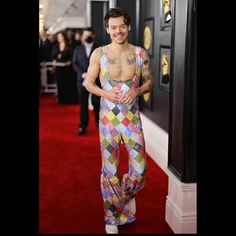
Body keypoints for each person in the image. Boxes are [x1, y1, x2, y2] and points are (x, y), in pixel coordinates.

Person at [85, 8, 153, 234]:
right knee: (110, 169)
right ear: (107, 29)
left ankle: (125, 196)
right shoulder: (99, 54)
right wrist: (106, 94)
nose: (118, 31)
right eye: (113, 27)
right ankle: (112, 216)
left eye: (122, 26)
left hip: (132, 119)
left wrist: (138, 91)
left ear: (129, 26)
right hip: (108, 121)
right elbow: (89, 83)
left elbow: (149, 82)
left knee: (140, 169)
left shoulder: (140, 53)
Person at [73, 27, 100, 135]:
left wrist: (92, 75)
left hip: (96, 82)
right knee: (83, 105)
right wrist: (83, 74)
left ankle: (98, 122)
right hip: (82, 81)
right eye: (85, 35)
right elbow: (75, 63)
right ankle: (82, 125)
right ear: (82, 37)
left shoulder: (99, 49)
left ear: (93, 36)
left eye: (89, 35)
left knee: (96, 103)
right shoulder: (78, 49)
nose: (87, 37)